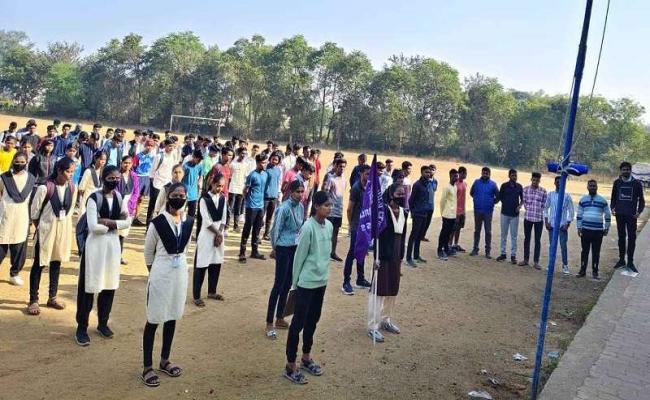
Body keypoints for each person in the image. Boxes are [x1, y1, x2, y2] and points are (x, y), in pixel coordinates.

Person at [141, 183, 193, 387]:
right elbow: (148, 253)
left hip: (179, 275)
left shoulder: (188, 221)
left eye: (182, 195)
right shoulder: (157, 223)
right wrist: (156, 274)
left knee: (172, 316)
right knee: (154, 319)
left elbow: (186, 249)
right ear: (168, 197)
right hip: (161, 274)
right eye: (175, 195)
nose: (178, 198)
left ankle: (164, 360)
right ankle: (147, 366)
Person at [75, 165, 132, 345]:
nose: (115, 181)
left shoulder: (119, 197)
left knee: (109, 285)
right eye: (111, 178)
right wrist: (116, 224)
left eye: (117, 178)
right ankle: (81, 328)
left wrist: (107, 222)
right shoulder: (94, 198)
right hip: (95, 248)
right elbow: (93, 227)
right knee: (89, 287)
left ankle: (103, 323)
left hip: (113, 248)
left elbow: (128, 221)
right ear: (104, 178)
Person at [284, 191, 332, 385]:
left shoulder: (328, 226)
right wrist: (295, 285)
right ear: (317, 207)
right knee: (298, 324)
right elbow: (299, 258)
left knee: (313, 321)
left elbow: (326, 254)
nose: (330, 208)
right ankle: (290, 366)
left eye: (331, 205)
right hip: (306, 284)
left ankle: (305, 357)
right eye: (326, 205)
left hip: (321, 282)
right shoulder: (307, 228)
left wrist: (325, 277)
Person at [27, 158, 78, 315]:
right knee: (39, 264)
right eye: (68, 171)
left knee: (56, 263)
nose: (71, 175)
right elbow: (34, 213)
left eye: (73, 172)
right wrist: (43, 228)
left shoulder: (72, 187)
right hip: (46, 231)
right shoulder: (45, 188)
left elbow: (69, 211)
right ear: (59, 170)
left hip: (62, 231)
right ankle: (33, 300)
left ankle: (52, 297)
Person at [367, 183, 407, 343]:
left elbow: (403, 235)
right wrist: (376, 257)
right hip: (383, 256)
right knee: (378, 291)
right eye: (398, 193)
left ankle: (386, 320)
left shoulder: (404, 212)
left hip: (396, 256)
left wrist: (402, 258)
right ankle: (372, 326)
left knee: (392, 289)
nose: (402, 196)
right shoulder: (382, 211)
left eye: (403, 193)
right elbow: (377, 236)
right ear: (391, 194)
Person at [266, 180, 305, 339]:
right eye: (298, 191)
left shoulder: (301, 207)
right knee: (278, 284)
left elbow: (300, 227)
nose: (300, 195)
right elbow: (276, 229)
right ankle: (269, 322)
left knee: (288, 283)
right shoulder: (284, 208)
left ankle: (280, 317)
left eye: (302, 191)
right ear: (291, 192)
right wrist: (274, 248)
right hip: (282, 248)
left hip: (294, 247)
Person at [0, 152, 35, 286]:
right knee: (2, 244)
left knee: (19, 246)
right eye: (17, 161)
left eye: (22, 162)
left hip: (22, 216)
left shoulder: (30, 178)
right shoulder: (4, 177)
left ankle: (14, 273)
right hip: (5, 215)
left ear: (26, 163)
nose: (19, 164)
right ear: (13, 161)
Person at [193, 174, 227, 306]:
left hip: (218, 235)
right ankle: (196, 295)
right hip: (207, 235)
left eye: (222, 186)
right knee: (201, 265)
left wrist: (220, 233)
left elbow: (224, 218)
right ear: (212, 184)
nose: (220, 188)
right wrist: (218, 233)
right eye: (218, 185)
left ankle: (212, 291)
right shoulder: (204, 199)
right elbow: (206, 220)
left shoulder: (223, 199)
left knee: (215, 263)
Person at [611, 161, 645, 273]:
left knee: (632, 238)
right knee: (621, 237)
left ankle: (630, 262)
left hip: (631, 216)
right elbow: (613, 198)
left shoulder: (636, 184)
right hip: (620, 215)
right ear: (621, 171)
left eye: (627, 169)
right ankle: (621, 260)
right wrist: (613, 208)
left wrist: (639, 212)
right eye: (623, 169)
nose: (626, 171)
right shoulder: (617, 183)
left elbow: (642, 201)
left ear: (630, 170)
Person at [342, 164, 372, 295]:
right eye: (366, 174)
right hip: (356, 225)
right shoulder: (356, 188)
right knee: (352, 253)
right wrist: (351, 225)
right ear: (360, 173)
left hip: (365, 226)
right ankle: (346, 282)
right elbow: (349, 209)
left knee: (362, 251)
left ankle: (360, 279)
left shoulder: (370, 187)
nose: (369, 176)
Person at [577, 180, 611, 280]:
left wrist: (607, 227)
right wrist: (579, 227)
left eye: (594, 186)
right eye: (590, 186)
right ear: (587, 187)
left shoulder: (602, 200)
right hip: (586, 230)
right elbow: (579, 215)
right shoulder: (583, 200)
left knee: (596, 252)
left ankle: (595, 272)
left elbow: (607, 215)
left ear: (597, 187)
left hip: (598, 231)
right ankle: (582, 271)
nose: (592, 187)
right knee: (584, 251)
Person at [239, 154, 268, 263]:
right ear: (257, 163)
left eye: (265, 162)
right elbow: (245, 190)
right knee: (247, 229)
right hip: (251, 206)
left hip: (260, 206)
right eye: (262, 163)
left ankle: (254, 251)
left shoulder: (265, 175)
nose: (264, 164)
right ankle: (242, 252)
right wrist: (248, 201)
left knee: (257, 229)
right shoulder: (252, 175)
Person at [543, 176, 575, 275]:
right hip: (552, 225)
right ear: (554, 183)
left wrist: (568, 223)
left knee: (563, 246)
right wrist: (546, 221)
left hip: (562, 226)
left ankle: (565, 265)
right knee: (552, 246)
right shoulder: (550, 195)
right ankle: (550, 264)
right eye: (557, 182)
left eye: (561, 182)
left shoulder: (567, 196)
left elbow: (571, 211)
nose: (559, 183)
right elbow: (545, 208)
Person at [405, 165, 434, 267]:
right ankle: (408, 258)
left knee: (419, 235)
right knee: (413, 235)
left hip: (425, 213)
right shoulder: (417, 185)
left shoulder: (429, 184)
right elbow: (411, 200)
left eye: (429, 172)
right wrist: (413, 212)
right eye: (426, 172)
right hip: (418, 213)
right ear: (421, 172)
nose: (428, 174)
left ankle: (416, 256)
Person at [147, 139, 180, 225]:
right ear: (165, 146)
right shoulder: (159, 156)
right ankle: (149, 224)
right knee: (154, 205)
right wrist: (152, 182)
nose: (171, 148)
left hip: (168, 184)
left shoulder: (174, 155)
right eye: (169, 146)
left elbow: (175, 168)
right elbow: (152, 171)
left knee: (166, 204)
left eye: (173, 146)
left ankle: (162, 223)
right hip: (158, 184)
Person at [469, 167, 499, 258]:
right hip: (477, 210)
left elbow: (498, 196)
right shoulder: (476, 182)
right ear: (481, 173)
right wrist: (476, 199)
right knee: (477, 230)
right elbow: (471, 193)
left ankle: (487, 251)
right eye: (483, 173)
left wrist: (492, 202)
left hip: (488, 211)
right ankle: (475, 249)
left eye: (487, 173)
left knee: (488, 231)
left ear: (489, 174)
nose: (485, 174)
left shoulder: (493, 185)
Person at [519, 172, 547, 269]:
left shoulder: (543, 191)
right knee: (527, 239)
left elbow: (544, 204)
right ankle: (525, 260)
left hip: (539, 219)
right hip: (528, 218)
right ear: (531, 179)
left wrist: (538, 210)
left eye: (537, 180)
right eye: (533, 180)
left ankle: (536, 262)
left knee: (537, 240)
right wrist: (529, 208)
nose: (535, 182)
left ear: (539, 181)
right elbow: (524, 202)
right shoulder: (525, 189)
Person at [322, 158, 347, 261]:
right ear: (335, 166)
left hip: (339, 210)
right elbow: (325, 193)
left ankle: (333, 252)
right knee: (327, 232)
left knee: (335, 232)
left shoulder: (344, 179)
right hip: (330, 211)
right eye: (340, 166)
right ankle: (324, 253)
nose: (342, 169)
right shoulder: (330, 179)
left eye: (343, 167)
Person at [497, 169, 524, 264]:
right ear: (509, 176)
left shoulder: (519, 187)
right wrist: (506, 203)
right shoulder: (504, 186)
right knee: (503, 235)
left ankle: (513, 255)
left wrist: (520, 206)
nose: (514, 177)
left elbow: (522, 199)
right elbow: (500, 197)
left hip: (515, 215)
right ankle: (503, 253)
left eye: (515, 175)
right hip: (504, 213)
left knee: (514, 236)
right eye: (512, 175)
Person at [117, 155, 140, 265]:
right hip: (118, 204)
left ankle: (119, 256)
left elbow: (136, 192)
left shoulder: (134, 176)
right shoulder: (117, 175)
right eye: (125, 162)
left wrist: (131, 203)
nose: (127, 165)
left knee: (122, 233)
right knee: (114, 231)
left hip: (129, 204)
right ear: (121, 163)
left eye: (129, 163)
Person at [132, 139, 157, 226]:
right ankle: (130, 215)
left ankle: (136, 217)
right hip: (138, 177)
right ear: (145, 146)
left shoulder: (153, 157)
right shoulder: (138, 156)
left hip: (147, 178)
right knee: (134, 198)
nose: (149, 147)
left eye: (151, 146)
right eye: (148, 145)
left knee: (141, 199)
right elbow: (133, 168)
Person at [437, 169, 458, 260]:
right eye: (454, 176)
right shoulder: (447, 187)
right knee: (444, 233)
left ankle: (446, 249)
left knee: (449, 233)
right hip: (446, 214)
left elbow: (454, 202)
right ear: (450, 176)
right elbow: (442, 201)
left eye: (456, 176)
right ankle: (439, 250)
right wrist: (442, 213)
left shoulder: (455, 187)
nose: (456, 178)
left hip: (453, 215)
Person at [77, 151, 107, 216]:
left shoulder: (103, 171)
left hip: (98, 198)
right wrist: (86, 197)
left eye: (105, 160)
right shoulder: (88, 171)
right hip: (88, 197)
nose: (103, 161)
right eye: (101, 159)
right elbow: (81, 188)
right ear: (96, 159)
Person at [262, 152, 282, 240]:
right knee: (261, 216)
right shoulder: (265, 169)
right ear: (270, 158)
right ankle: (257, 235)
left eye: (276, 160)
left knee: (269, 218)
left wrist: (278, 194)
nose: (274, 161)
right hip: (265, 196)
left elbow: (278, 182)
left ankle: (266, 234)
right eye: (273, 159)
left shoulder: (278, 170)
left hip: (274, 197)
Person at [228, 147, 248, 231]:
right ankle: (226, 225)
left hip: (240, 189)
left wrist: (245, 189)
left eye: (245, 153)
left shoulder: (246, 164)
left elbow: (246, 177)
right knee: (230, 208)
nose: (243, 155)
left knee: (238, 208)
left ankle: (235, 226)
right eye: (242, 153)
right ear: (238, 153)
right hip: (232, 188)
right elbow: (229, 177)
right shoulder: (233, 164)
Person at [449, 166, 468, 252]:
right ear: (460, 173)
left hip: (462, 210)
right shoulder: (455, 184)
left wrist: (464, 211)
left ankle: (455, 244)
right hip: (455, 211)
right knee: (453, 228)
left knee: (459, 228)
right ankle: (449, 245)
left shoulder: (465, 184)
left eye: (465, 173)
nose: (465, 175)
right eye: (463, 173)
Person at [181, 149, 204, 217]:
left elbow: (201, 176)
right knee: (181, 213)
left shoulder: (200, 165)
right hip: (185, 193)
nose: (199, 161)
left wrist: (199, 182)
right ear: (193, 157)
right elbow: (180, 178)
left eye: (200, 160)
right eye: (198, 159)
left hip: (194, 194)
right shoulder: (185, 166)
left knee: (191, 214)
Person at [421, 164, 438, 242]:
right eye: (430, 169)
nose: (431, 171)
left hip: (431, 205)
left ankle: (423, 235)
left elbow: (434, 190)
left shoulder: (435, 181)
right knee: (422, 222)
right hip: (424, 205)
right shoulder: (425, 181)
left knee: (428, 222)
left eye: (433, 170)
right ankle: (419, 235)